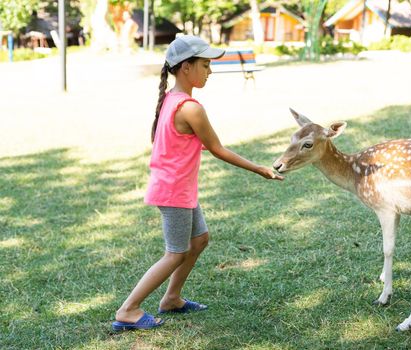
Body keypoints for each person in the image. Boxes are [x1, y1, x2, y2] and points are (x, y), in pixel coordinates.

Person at [112, 35, 283, 331]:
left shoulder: (172, 100)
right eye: (205, 65)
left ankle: (172, 298)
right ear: (185, 67)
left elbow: (179, 142)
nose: (210, 71)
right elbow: (217, 148)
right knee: (175, 252)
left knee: (199, 240)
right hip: (174, 190)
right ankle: (128, 310)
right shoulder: (190, 108)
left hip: (179, 188)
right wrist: (259, 169)